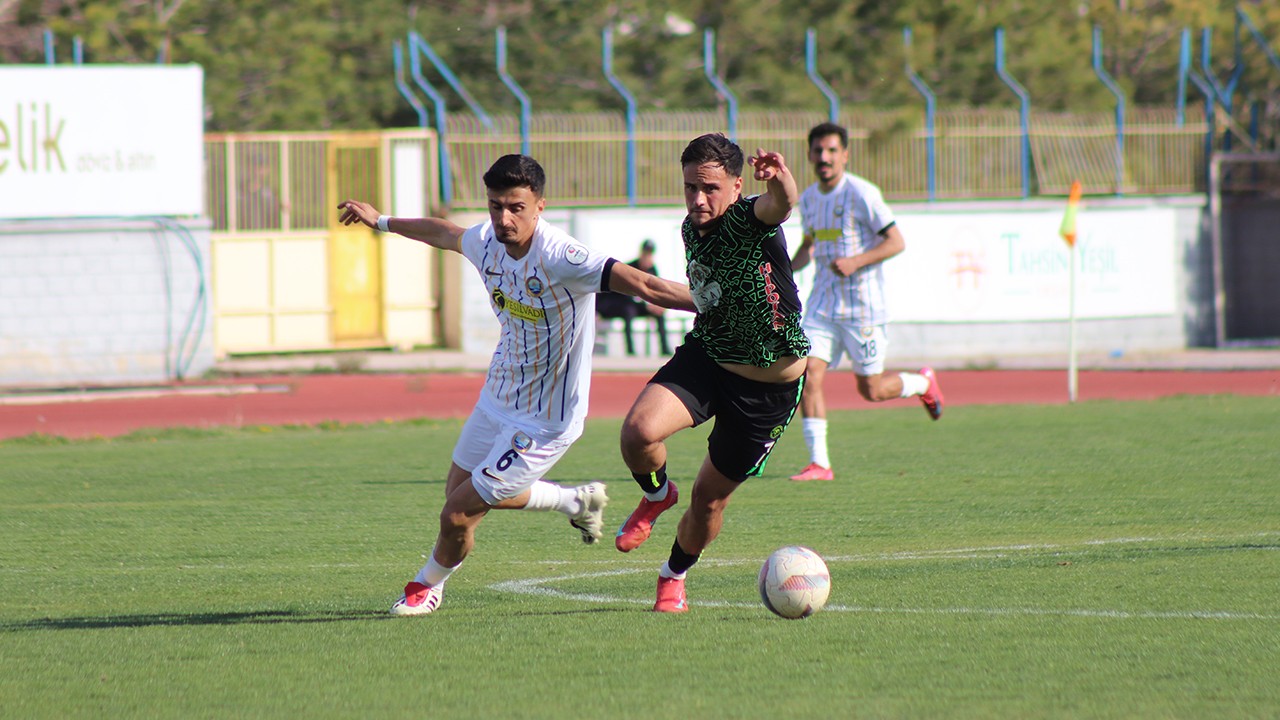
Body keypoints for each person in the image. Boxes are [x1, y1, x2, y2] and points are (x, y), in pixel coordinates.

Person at [337, 154, 695, 616]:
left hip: (546, 421)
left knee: (457, 514)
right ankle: (575, 500)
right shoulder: (486, 241)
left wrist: (719, 305)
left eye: (516, 208)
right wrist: (382, 221)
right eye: (495, 206)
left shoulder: (563, 256)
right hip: (497, 398)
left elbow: (645, 284)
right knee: (457, 495)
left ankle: (426, 586)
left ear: (540, 206)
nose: (504, 219)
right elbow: (443, 232)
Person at [613, 133, 811, 613]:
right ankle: (657, 495)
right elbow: (707, 296)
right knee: (638, 434)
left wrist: (781, 178)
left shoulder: (748, 218)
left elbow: (782, 204)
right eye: (690, 188)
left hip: (768, 390)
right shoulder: (691, 229)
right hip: (709, 355)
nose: (698, 199)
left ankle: (673, 575)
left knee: (708, 501)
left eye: (710, 188)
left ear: (738, 186)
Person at [787, 122, 944, 483]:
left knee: (871, 390)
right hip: (822, 306)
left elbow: (896, 241)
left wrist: (856, 261)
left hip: (864, 308)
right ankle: (820, 464)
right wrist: (781, 270)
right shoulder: (808, 199)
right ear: (810, 155)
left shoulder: (862, 193)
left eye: (831, 151)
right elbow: (809, 246)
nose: (824, 158)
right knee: (807, 374)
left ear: (845, 155)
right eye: (818, 151)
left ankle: (922, 384)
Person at [595, 239, 672, 356]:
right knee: (629, 311)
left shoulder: (652, 269)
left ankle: (664, 349)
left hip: (636, 304)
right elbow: (626, 295)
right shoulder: (631, 267)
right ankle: (631, 351)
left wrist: (657, 305)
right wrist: (647, 306)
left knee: (659, 313)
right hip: (619, 304)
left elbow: (654, 290)